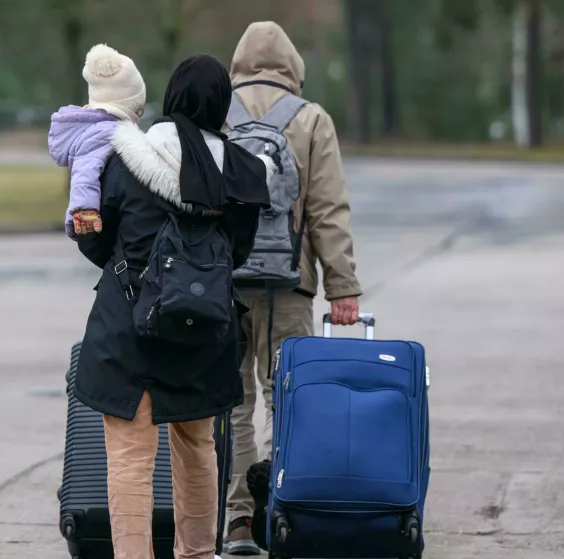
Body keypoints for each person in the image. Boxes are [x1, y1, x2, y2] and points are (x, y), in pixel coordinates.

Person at [75, 53, 272, 559]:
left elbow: (94, 239)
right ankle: (198, 554)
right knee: (198, 447)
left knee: (130, 456)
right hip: (202, 330)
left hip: (129, 327)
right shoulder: (243, 173)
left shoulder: (127, 157)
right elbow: (238, 254)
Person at [222, 22, 363, 555]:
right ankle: (281, 512)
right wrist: (342, 286)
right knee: (287, 398)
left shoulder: (216, 112)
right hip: (291, 283)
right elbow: (328, 209)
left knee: (233, 403)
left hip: (222, 283)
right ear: (292, 65)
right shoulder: (311, 119)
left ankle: (237, 521)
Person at [49, 43, 147, 238]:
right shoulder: (104, 132)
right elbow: (85, 169)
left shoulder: (97, 127)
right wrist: (84, 210)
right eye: (138, 108)